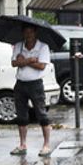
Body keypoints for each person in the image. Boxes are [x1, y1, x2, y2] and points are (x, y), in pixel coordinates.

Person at [10, 23, 54, 157]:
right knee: (21, 115)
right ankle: (22, 144)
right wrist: (30, 60)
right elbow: (14, 63)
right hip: (21, 83)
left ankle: (46, 145)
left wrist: (24, 61)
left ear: (35, 33)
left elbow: (41, 66)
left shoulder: (43, 47)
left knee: (41, 114)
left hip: (35, 84)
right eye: (26, 32)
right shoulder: (18, 46)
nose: (28, 35)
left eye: (31, 32)